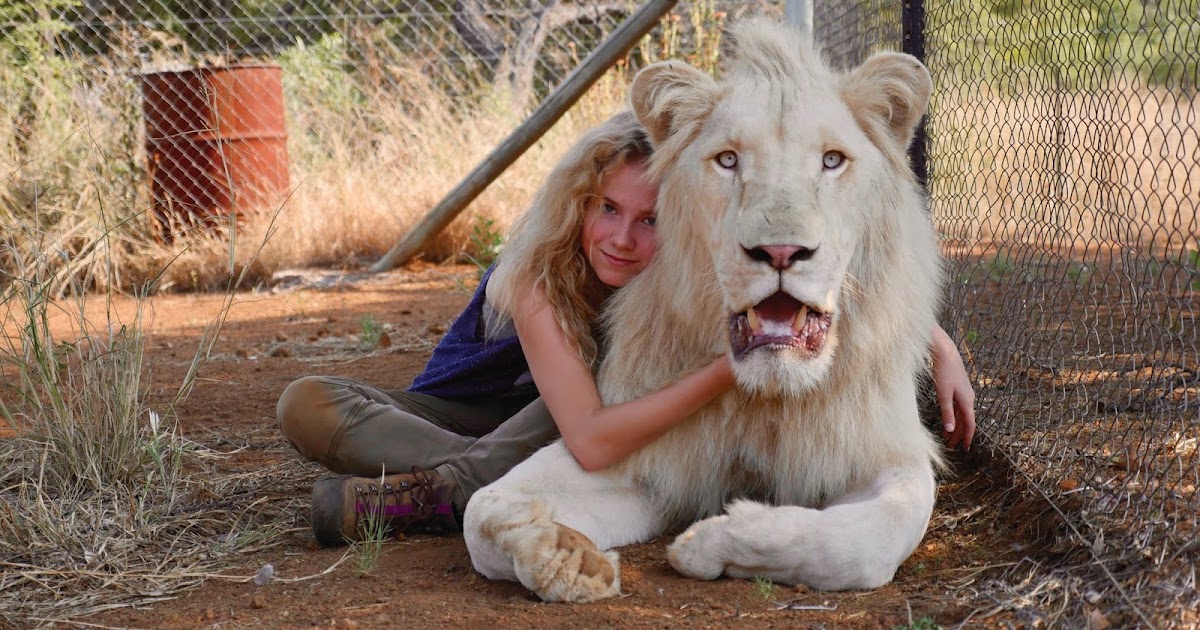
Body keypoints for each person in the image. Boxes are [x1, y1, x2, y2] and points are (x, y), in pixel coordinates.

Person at [276, 111, 977, 547]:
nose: (620, 239)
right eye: (607, 209)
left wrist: (934, 342)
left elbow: (797, 288)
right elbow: (589, 435)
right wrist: (725, 367)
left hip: (582, 412)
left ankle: (444, 487)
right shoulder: (534, 279)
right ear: (579, 204)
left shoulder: (685, 270)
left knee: (589, 400)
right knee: (305, 403)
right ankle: (456, 484)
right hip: (489, 411)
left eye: (650, 222)